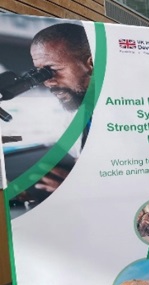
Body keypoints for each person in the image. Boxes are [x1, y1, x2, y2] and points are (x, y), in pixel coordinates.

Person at [30, 22, 93, 193]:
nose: (47, 81)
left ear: (91, 63)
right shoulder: (75, 116)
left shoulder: (130, 111)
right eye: (40, 72)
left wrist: (79, 190)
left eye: (53, 69)